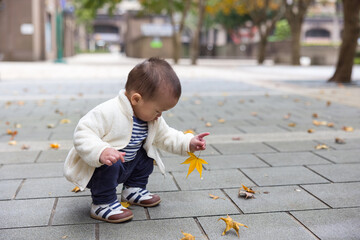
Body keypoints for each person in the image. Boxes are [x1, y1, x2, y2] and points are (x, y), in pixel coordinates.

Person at [64, 57, 209, 223]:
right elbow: (83, 132)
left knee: (147, 155)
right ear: (136, 99)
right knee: (112, 162)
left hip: (128, 164)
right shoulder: (108, 111)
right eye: (158, 110)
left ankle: (133, 188)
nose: (160, 115)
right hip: (99, 167)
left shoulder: (151, 118)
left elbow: (167, 135)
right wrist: (101, 151)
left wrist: (188, 143)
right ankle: (102, 203)